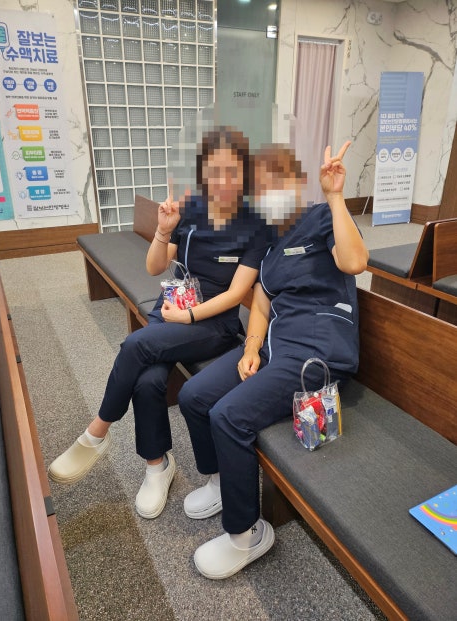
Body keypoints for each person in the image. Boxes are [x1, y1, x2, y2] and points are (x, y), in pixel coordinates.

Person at [48, 127, 270, 520]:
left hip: (212, 324)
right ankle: (157, 466)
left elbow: (238, 294)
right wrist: (164, 230)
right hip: (171, 307)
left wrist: (187, 316)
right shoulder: (191, 211)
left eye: (232, 171)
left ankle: (96, 432)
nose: (222, 181)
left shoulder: (255, 225)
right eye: (213, 171)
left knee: (137, 345)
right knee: (148, 380)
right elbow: (154, 267)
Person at [178, 141, 369, 579]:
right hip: (272, 348)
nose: (269, 193)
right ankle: (220, 481)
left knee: (229, 416)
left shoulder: (322, 217)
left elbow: (355, 261)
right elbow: (261, 304)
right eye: (259, 188)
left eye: (277, 181)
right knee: (193, 395)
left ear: (297, 182)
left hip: (316, 353)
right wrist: (250, 349)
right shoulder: (268, 240)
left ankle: (246, 534)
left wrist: (336, 196)